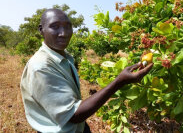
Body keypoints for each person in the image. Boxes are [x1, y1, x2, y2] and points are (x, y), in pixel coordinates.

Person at [20, 8, 153, 133]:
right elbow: (74, 114)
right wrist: (119, 81)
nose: (64, 33)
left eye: (67, 26)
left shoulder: (64, 57)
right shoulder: (41, 66)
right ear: (41, 29)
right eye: (55, 26)